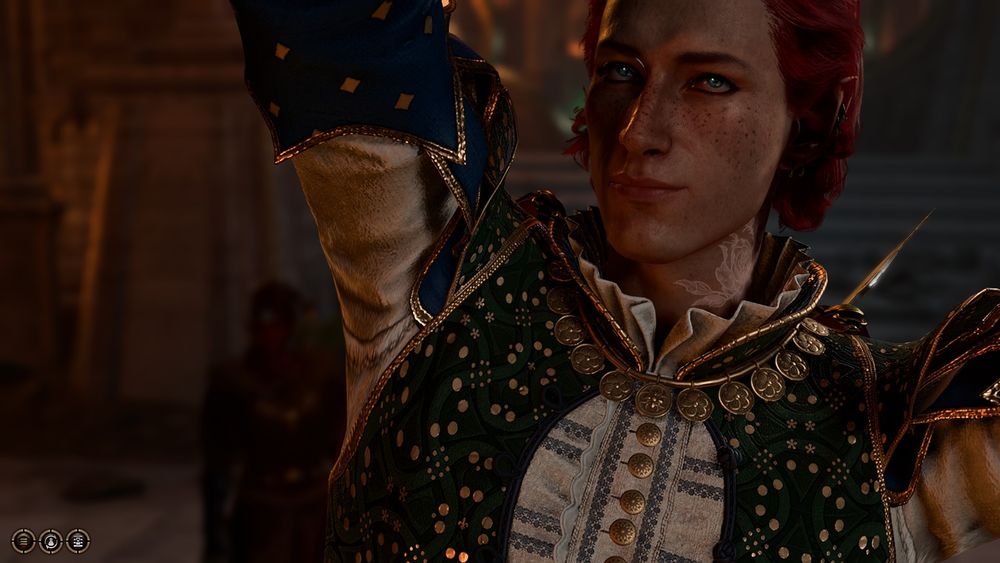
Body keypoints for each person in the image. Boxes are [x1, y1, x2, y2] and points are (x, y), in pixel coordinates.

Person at [229, 1, 1000, 561]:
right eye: (622, 71)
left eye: (710, 82)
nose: (639, 130)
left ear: (809, 115)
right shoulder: (443, 275)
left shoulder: (894, 434)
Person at [202, 282, 345, 562]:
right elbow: (217, 460)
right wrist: (215, 538)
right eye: (264, 325)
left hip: (313, 504)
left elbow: (339, 438)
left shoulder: (319, 375)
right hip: (261, 505)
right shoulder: (232, 381)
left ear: (289, 327)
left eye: (277, 325)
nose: (271, 334)